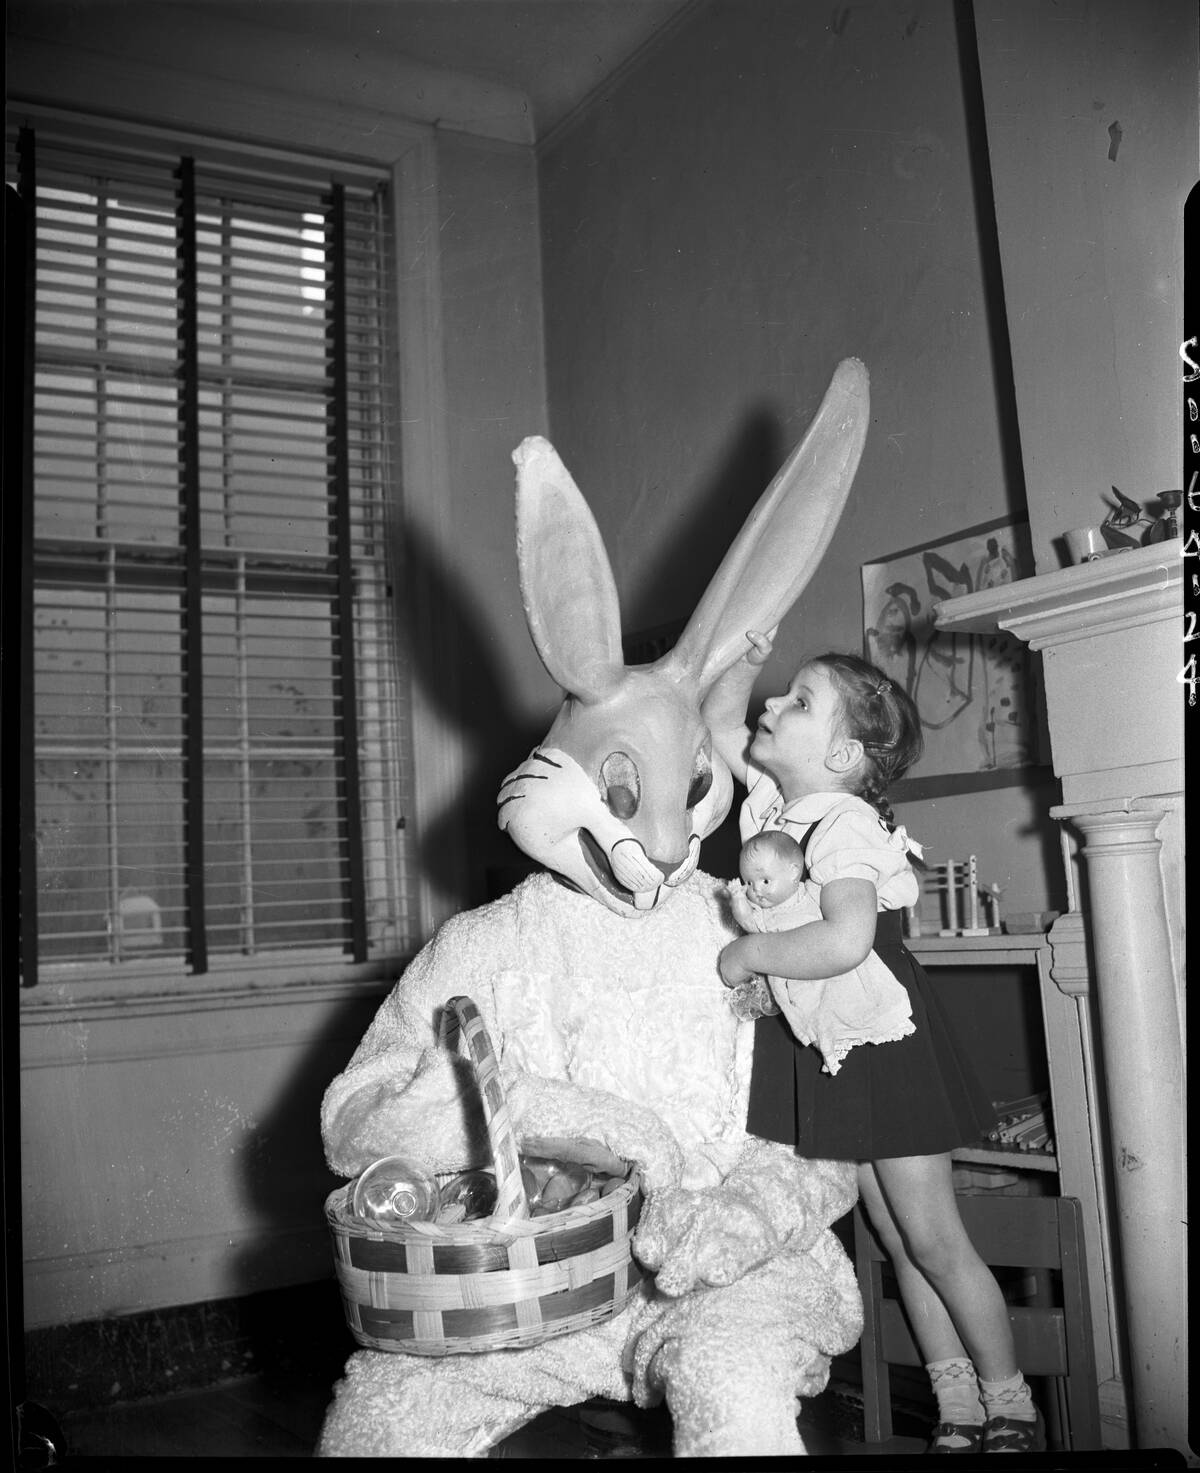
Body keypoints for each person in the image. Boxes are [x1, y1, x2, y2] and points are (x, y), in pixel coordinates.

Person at [702, 634, 1044, 1456]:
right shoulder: (779, 810)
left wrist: (748, 954)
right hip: (842, 1050)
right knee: (896, 1238)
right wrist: (740, 654)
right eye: (779, 696)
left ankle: (1012, 1404)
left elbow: (848, 938)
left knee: (933, 1236)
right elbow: (716, 728)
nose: (771, 707)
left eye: (799, 703)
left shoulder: (843, 823)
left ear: (844, 753)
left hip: (883, 1045)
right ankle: (957, 1401)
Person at [727, 827, 916, 1076]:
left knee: (844, 1006)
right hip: (795, 987)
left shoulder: (811, 894)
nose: (757, 890)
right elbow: (751, 925)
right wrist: (739, 902)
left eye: (764, 881)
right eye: (748, 883)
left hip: (827, 973)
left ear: (794, 872)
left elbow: (844, 909)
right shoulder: (764, 914)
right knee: (814, 1020)